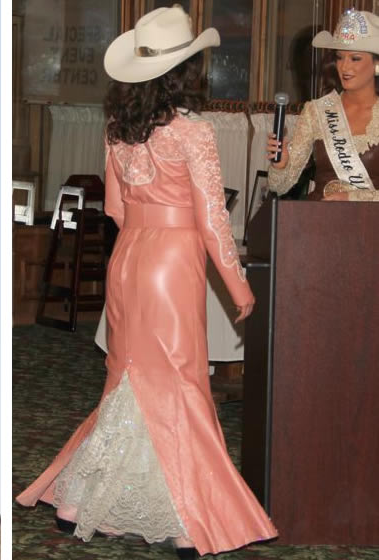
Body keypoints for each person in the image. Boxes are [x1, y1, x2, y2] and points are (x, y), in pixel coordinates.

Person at [16, 6, 277, 559]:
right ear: (187, 72)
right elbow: (212, 221)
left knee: (126, 380)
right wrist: (241, 287)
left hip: (128, 256)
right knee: (180, 385)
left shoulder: (117, 128)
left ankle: (77, 501)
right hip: (171, 261)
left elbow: (113, 207)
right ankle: (186, 520)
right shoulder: (195, 132)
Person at [267, 8, 379, 201]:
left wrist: (352, 197)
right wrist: (281, 164)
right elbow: (279, 186)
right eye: (339, 57)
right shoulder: (316, 111)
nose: (344, 66)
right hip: (318, 222)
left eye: (355, 58)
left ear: (376, 64)